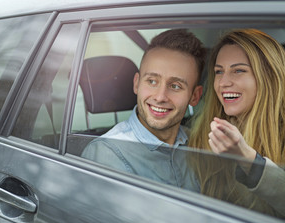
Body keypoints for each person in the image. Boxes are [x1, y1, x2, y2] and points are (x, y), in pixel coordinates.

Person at [82, 29, 206, 191]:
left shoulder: (196, 145)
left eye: (175, 86)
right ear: (136, 84)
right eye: (152, 81)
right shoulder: (107, 154)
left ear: (195, 96)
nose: (160, 97)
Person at [188, 29, 285, 221]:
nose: (223, 82)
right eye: (219, 72)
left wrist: (250, 162)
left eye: (238, 70)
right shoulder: (201, 135)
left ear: (269, 77)